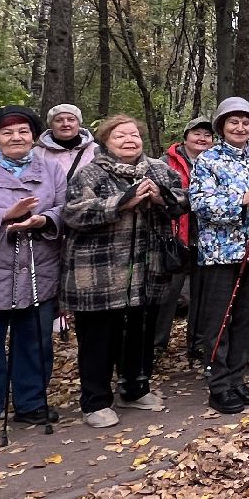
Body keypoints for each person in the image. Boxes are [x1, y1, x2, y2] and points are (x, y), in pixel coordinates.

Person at [61, 116, 187, 427]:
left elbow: (183, 200)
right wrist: (121, 203)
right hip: (100, 272)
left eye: (134, 135)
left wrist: (161, 197)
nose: (129, 140)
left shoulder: (158, 169)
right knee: (99, 339)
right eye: (120, 136)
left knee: (141, 333)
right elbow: (74, 214)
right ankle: (95, 401)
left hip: (148, 268)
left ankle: (135, 388)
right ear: (106, 141)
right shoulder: (90, 172)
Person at [0, 106, 67, 442]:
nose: (16, 137)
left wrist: (45, 220)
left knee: (35, 341)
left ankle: (31, 403)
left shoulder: (51, 168)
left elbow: (65, 208)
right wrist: (5, 215)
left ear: (34, 135)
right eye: (7, 132)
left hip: (38, 268)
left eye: (23, 131)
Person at [189, 97, 249, 412]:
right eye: (234, 122)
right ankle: (218, 383)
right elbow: (200, 202)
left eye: (246, 123)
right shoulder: (208, 160)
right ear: (221, 126)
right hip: (221, 253)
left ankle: (236, 377)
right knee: (219, 320)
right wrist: (244, 198)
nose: (240, 128)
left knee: (247, 318)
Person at [156, 116, 214, 361]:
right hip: (174, 238)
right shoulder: (165, 163)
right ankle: (156, 345)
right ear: (185, 137)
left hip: (206, 238)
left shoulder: (215, 162)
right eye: (196, 134)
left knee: (202, 295)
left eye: (207, 135)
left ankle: (197, 344)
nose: (202, 139)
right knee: (167, 294)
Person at [34, 103, 98, 181]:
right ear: (51, 125)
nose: (65, 124)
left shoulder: (97, 151)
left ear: (78, 123)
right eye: (59, 120)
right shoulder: (37, 154)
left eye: (71, 120)